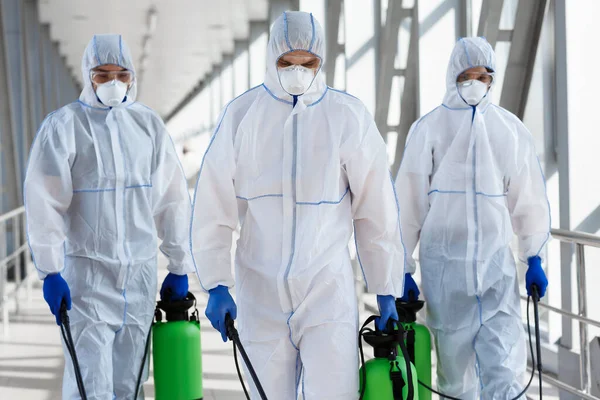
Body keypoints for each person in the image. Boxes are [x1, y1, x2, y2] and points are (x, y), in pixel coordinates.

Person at [191, 11, 405, 399]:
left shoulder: (346, 116)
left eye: (308, 63)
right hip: (261, 292)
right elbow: (213, 205)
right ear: (271, 59)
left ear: (321, 61)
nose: (297, 71)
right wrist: (217, 284)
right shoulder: (242, 117)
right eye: (286, 63)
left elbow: (375, 208)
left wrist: (386, 285)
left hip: (327, 290)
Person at [24, 34, 194, 399]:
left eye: (121, 74)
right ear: (88, 75)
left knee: (130, 385)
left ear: (132, 77)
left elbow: (172, 198)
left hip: (140, 277)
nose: (112, 83)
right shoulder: (65, 126)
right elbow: (44, 202)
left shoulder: (148, 127)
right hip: (87, 280)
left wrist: (179, 264)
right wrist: (50, 271)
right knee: (90, 385)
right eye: (102, 75)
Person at [395, 36, 550, 399]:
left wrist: (535, 256)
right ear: (453, 75)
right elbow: (407, 205)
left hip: (497, 276)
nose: (476, 83)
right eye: (468, 75)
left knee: (506, 374)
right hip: (447, 280)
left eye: (484, 76)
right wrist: (400, 268)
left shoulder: (509, 130)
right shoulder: (429, 130)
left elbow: (529, 200)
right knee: (455, 383)